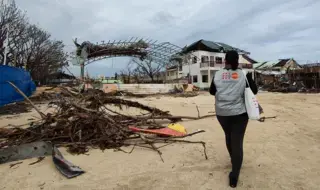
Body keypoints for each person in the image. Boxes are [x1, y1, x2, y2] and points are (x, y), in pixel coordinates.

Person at [209, 50, 258, 188]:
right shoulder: (244, 74)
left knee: (228, 136)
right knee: (237, 141)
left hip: (222, 114)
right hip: (239, 114)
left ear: (226, 61)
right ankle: (235, 174)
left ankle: (234, 159)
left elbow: (212, 91)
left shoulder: (217, 74)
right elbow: (254, 91)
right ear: (238, 61)